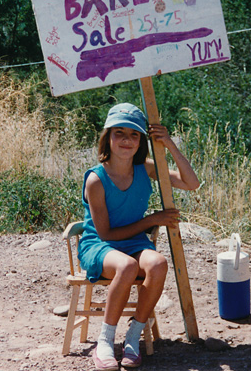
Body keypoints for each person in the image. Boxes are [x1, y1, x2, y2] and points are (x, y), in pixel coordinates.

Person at [78, 103, 199, 370]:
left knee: (158, 263)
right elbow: (106, 233)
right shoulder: (96, 179)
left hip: (133, 243)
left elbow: (192, 183)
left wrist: (168, 144)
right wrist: (152, 220)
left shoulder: (145, 168)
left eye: (134, 134)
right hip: (100, 245)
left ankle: (133, 337)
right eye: (119, 132)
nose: (126, 140)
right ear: (107, 137)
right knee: (128, 266)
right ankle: (105, 341)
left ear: (141, 141)